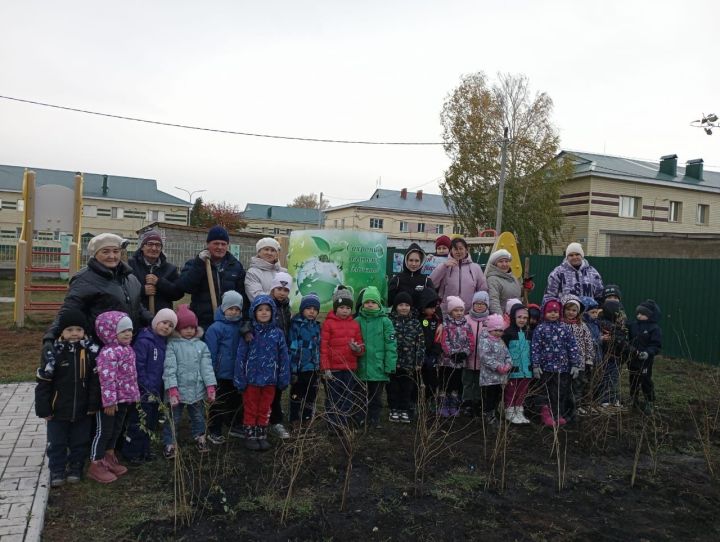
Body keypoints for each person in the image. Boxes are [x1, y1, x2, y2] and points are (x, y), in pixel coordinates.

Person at [42, 233, 151, 360]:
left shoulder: (130, 278)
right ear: (95, 254)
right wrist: (50, 336)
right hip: (99, 350)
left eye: (116, 251)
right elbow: (69, 310)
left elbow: (137, 307)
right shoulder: (84, 279)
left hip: (128, 347)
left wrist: (154, 321)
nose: (112, 256)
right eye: (105, 252)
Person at [35, 309, 100, 487]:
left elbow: (95, 381)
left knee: (80, 441)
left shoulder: (90, 353)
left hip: (83, 409)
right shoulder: (53, 354)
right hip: (57, 410)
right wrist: (44, 408)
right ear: (62, 333)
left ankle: (75, 467)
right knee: (57, 442)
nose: (74, 334)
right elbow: (43, 383)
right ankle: (57, 469)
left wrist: (93, 404)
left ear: (84, 332)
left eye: (78, 330)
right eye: (69, 330)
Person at [89, 311, 140, 483]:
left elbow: (131, 375)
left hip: (124, 399)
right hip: (110, 402)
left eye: (130, 330)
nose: (128, 334)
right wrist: (109, 401)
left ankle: (109, 457)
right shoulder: (108, 353)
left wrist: (134, 395)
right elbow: (107, 379)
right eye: (123, 330)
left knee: (117, 429)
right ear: (110, 332)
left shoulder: (128, 350)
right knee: (104, 431)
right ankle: (96, 463)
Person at [234, 295, 290, 451]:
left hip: (270, 380)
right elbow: (241, 355)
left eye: (267, 310)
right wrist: (239, 378)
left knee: (265, 407)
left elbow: (283, 356)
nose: (264, 313)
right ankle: (250, 435)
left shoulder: (277, 333)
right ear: (254, 312)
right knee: (251, 407)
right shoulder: (249, 332)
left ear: (272, 312)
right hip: (251, 379)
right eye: (260, 310)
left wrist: (284, 376)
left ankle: (261, 434)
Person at [123, 308, 177, 465]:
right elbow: (138, 366)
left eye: (170, 325)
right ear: (155, 322)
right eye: (164, 322)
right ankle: (131, 451)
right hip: (142, 392)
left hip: (156, 392)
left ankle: (144, 450)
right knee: (139, 423)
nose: (166, 327)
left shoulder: (164, 344)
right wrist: (145, 386)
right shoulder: (144, 341)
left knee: (151, 423)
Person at [162, 305, 217, 459]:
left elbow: (207, 368)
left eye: (192, 327)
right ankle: (169, 443)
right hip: (177, 391)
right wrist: (172, 388)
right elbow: (169, 368)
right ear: (178, 329)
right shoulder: (172, 345)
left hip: (196, 390)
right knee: (173, 418)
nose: (189, 331)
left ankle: (200, 437)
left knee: (198, 416)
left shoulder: (202, 346)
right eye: (185, 327)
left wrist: (210, 386)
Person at [175, 225, 246, 330]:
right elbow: (186, 287)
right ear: (208, 244)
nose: (220, 247)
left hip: (229, 322)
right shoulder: (194, 264)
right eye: (216, 243)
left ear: (228, 245)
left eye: (223, 244)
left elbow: (242, 295)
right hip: (202, 323)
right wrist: (199, 264)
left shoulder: (236, 266)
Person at [320, 287, 364, 432]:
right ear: (335, 308)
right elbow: (324, 347)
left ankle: (343, 422)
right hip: (333, 369)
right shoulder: (328, 323)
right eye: (342, 307)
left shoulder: (355, 324)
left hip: (349, 368)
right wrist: (325, 367)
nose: (345, 310)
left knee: (348, 395)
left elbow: (360, 345)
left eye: (347, 308)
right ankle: (332, 424)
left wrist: (357, 349)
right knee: (333, 396)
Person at [531, 299, 581, 427]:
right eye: (550, 312)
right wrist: (536, 365)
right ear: (544, 313)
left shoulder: (564, 328)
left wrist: (575, 364)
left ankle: (557, 413)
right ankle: (545, 414)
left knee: (559, 392)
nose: (553, 314)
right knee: (545, 391)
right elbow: (535, 348)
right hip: (545, 368)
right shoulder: (540, 328)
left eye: (556, 312)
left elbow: (572, 346)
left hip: (562, 368)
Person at [205, 291, 246, 444]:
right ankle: (214, 430)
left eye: (237, 309)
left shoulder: (242, 327)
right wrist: (212, 371)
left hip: (236, 372)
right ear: (223, 309)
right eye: (231, 308)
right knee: (218, 402)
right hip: (220, 373)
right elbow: (211, 352)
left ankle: (235, 425)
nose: (234, 312)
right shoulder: (215, 328)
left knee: (236, 400)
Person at [355, 286, 398, 428]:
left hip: (378, 366)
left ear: (379, 304)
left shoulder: (386, 321)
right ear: (362, 304)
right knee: (359, 394)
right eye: (367, 302)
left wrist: (390, 365)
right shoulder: (357, 321)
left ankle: (374, 419)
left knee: (376, 396)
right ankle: (359, 417)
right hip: (361, 365)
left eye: (373, 302)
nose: (370, 304)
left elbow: (391, 345)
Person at [387, 292, 424, 423]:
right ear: (396, 306)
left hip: (409, 364)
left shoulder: (415, 323)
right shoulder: (389, 321)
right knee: (393, 388)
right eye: (401, 305)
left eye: (406, 305)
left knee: (407, 389)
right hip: (393, 364)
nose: (403, 307)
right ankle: (393, 410)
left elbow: (420, 344)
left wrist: (418, 361)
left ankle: (404, 410)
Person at [128, 229, 184, 314]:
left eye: (158, 245)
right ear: (142, 247)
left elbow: (178, 294)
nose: (154, 248)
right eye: (150, 244)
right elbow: (123, 290)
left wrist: (159, 282)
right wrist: (142, 291)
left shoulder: (170, 269)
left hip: (162, 320)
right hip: (137, 316)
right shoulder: (130, 266)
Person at [288, 293, 322, 430]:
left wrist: (318, 366)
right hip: (299, 368)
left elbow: (319, 347)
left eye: (315, 309)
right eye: (308, 308)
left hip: (313, 368)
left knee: (311, 395)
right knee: (296, 394)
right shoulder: (296, 325)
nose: (311, 311)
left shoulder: (317, 327)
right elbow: (293, 347)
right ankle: (294, 418)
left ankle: (307, 417)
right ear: (302, 309)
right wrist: (293, 368)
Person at [560, 295, 596, 421]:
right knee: (563, 387)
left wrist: (589, 359)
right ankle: (563, 412)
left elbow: (588, 343)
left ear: (578, 312)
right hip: (563, 364)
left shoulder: (582, 326)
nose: (571, 312)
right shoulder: (560, 325)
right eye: (568, 309)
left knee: (576, 387)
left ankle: (573, 411)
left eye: (574, 310)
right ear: (563, 309)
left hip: (579, 363)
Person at [430, 237, 487, 314]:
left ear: (466, 250)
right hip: (447, 311)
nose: (458, 251)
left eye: (461, 248)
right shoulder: (444, 266)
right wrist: (443, 266)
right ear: (451, 251)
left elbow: (482, 289)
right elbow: (432, 283)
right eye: (455, 249)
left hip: (469, 312)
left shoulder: (475, 267)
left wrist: (478, 307)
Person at [439, 296, 475, 417]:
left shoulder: (467, 325)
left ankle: (454, 405)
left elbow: (471, 342)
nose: (459, 313)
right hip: (447, 361)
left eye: (461, 310)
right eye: (456, 310)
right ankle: (444, 404)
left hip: (460, 361)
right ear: (450, 311)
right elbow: (444, 341)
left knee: (456, 383)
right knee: (446, 382)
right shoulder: (446, 324)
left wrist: (464, 353)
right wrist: (452, 353)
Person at [268, 272, 293, 440]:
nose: (282, 292)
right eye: (279, 288)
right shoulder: (267, 305)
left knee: (278, 386)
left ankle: (275, 417)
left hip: (281, 352)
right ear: (272, 289)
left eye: (285, 289)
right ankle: (271, 418)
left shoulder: (286, 307)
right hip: (268, 353)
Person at [477, 314, 512, 426]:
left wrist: (508, 364)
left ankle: (493, 413)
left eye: (501, 330)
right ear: (490, 329)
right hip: (489, 378)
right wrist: (497, 366)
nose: (498, 332)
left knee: (497, 395)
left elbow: (507, 354)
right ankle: (487, 415)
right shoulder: (485, 341)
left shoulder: (500, 341)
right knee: (489, 397)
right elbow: (484, 357)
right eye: (495, 330)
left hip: (500, 377)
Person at [628, 300, 662, 414]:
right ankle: (633, 399)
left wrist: (648, 352)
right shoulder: (633, 325)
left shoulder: (654, 328)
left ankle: (649, 401)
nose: (639, 315)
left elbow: (656, 345)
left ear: (650, 315)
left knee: (645, 380)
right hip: (633, 358)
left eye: (642, 314)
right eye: (638, 313)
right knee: (633, 380)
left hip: (645, 361)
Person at [597, 299, 632, 410]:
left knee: (614, 379)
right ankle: (606, 401)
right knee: (609, 379)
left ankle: (613, 398)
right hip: (610, 357)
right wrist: (631, 350)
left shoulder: (613, 325)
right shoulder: (609, 326)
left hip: (615, 357)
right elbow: (620, 341)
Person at [502, 303, 533, 424]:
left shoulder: (529, 333)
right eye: (519, 317)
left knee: (522, 391)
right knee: (511, 390)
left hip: (526, 369)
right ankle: (509, 411)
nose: (522, 320)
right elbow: (503, 351)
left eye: (525, 318)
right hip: (513, 369)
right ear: (513, 317)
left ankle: (519, 411)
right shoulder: (508, 333)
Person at [461, 291, 490, 417]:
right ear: (472, 304)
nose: (479, 306)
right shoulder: (466, 319)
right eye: (477, 303)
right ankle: (467, 403)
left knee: (479, 382)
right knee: (467, 381)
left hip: (482, 360)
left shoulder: (489, 321)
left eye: (482, 304)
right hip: (468, 358)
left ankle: (477, 402)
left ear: (487, 305)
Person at [417, 287, 443, 410]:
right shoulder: (416, 319)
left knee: (432, 380)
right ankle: (415, 402)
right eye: (431, 307)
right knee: (416, 380)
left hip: (431, 355)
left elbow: (438, 339)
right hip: (418, 354)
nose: (433, 310)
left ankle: (430, 400)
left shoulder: (436, 320)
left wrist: (434, 354)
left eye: (435, 307)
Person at [387, 243, 435, 307]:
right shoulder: (396, 279)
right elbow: (389, 302)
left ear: (421, 261)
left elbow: (432, 303)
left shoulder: (426, 281)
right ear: (406, 260)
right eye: (411, 260)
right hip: (399, 316)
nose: (413, 264)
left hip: (419, 316)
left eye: (417, 261)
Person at [244, 237, 286, 303]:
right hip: (264, 312)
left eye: (273, 250)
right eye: (266, 249)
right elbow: (255, 296)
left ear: (276, 254)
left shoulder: (284, 272)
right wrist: (275, 294)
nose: (269, 253)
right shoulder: (252, 272)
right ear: (259, 252)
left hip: (283, 312)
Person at [486, 249, 522, 316]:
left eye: (506, 261)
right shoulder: (493, 279)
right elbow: (493, 301)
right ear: (495, 264)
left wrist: (526, 288)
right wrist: (500, 319)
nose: (504, 264)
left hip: (515, 317)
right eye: (501, 261)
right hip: (503, 318)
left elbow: (517, 295)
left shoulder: (513, 278)